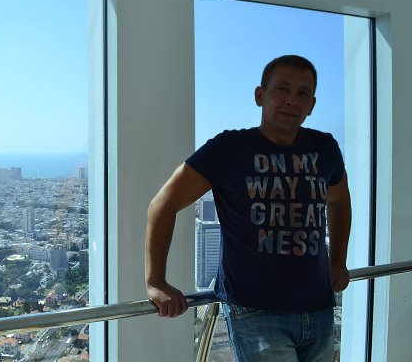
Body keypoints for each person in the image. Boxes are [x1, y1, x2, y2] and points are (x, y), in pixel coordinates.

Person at [145, 55, 351, 362]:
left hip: (318, 304)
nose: (291, 100)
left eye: (302, 93)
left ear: (311, 105)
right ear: (260, 95)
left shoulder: (325, 148)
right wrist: (155, 281)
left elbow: (339, 202)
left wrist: (338, 261)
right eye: (282, 89)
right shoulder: (229, 149)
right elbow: (163, 205)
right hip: (255, 310)